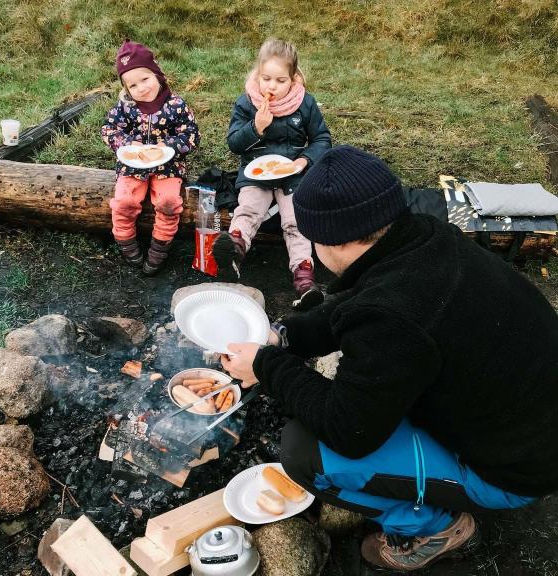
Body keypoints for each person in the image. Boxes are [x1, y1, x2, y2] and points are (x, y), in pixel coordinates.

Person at [221, 146, 558, 572]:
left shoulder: (393, 317)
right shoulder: (424, 238)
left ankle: (435, 529)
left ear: (334, 239)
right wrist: (284, 337)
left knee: (304, 450)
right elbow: (356, 307)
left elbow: (351, 430)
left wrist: (266, 367)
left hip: (517, 469)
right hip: (528, 412)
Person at [214, 38, 331, 310]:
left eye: (280, 80)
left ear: (294, 78)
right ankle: (234, 251)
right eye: (266, 78)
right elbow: (234, 143)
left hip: (293, 174)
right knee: (249, 209)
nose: (272, 87)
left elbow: (322, 139)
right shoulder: (247, 102)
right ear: (258, 74)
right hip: (257, 170)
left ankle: (304, 279)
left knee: (296, 221)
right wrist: (256, 127)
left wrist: (304, 161)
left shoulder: (305, 104)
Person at [101, 39, 200, 275]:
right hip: (132, 165)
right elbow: (108, 130)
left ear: (158, 74)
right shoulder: (125, 108)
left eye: (145, 79)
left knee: (168, 203)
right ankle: (127, 244)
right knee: (124, 202)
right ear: (126, 89)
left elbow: (192, 135)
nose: (142, 88)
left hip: (169, 166)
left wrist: (169, 146)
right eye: (133, 85)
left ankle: (159, 247)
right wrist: (125, 143)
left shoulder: (175, 106)